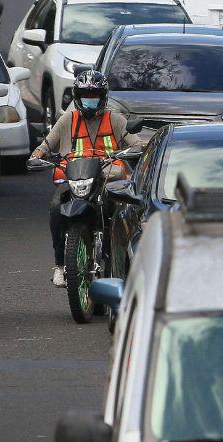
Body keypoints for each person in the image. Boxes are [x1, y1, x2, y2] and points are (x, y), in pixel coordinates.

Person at [31, 70, 148, 287]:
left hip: (107, 181)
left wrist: (136, 149)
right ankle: (60, 265)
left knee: (126, 212)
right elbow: (46, 146)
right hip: (76, 181)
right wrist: (37, 156)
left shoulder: (116, 119)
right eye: (86, 96)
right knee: (57, 206)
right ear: (77, 96)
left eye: (94, 96)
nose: (90, 101)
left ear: (103, 97)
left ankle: (126, 264)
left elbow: (136, 144)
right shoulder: (67, 119)